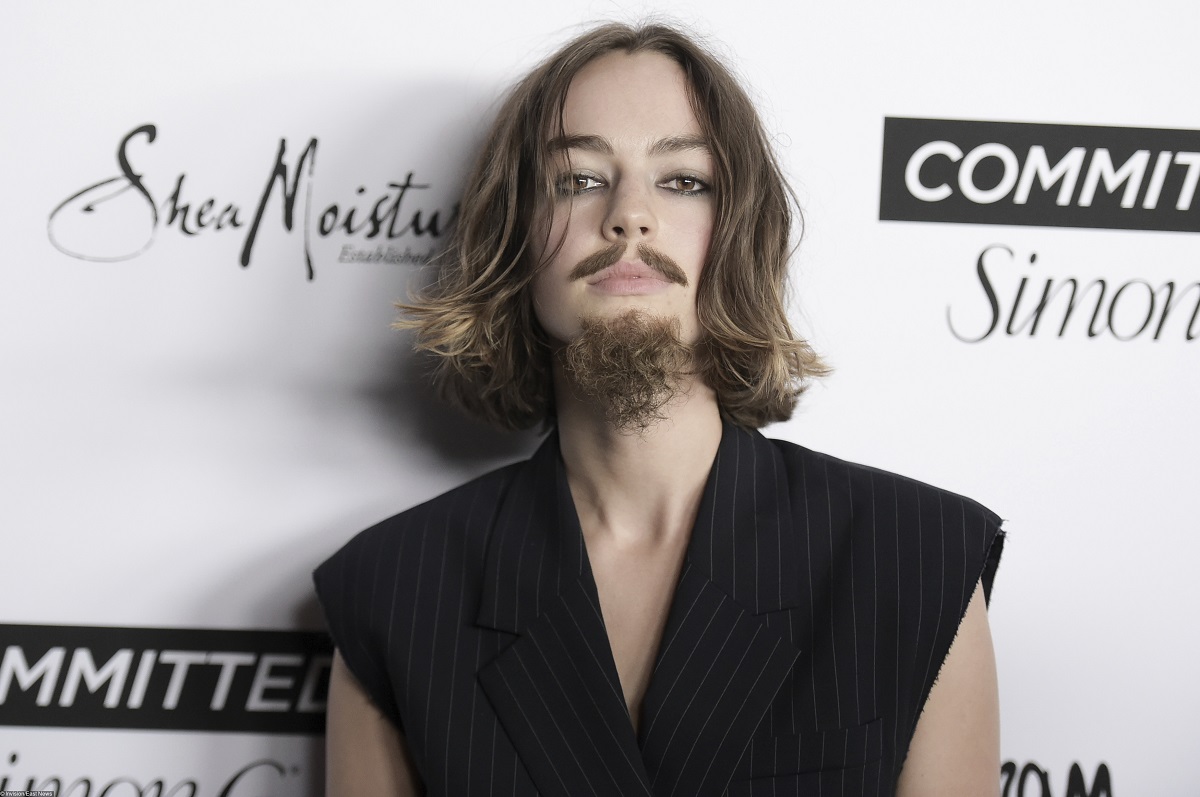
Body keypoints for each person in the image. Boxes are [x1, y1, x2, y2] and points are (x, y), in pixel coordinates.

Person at [313, 21, 1004, 797]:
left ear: (739, 232)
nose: (629, 215)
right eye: (578, 179)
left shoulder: (917, 558)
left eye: (683, 181)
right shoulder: (392, 589)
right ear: (513, 238)